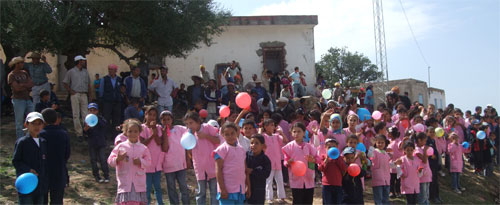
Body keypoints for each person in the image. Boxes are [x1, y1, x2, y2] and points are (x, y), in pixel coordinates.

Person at [107, 119, 152, 205]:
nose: (133, 134)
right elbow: (110, 160)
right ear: (126, 132)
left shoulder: (143, 148)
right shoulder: (121, 146)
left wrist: (140, 161)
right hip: (125, 183)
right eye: (130, 131)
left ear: (139, 132)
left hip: (138, 184)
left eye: (135, 131)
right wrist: (118, 159)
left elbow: (148, 162)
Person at [182, 112, 221, 205]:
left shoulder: (207, 128)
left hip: (212, 165)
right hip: (199, 167)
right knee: (201, 192)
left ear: (198, 121)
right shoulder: (188, 134)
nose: (189, 126)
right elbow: (188, 148)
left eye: (191, 123)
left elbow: (219, 140)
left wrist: (206, 136)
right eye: (187, 124)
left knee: (214, 191)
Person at [12, 112, 48, 204]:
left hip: (40, 185)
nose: (36, 126)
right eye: (33, 123)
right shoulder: (22, 142)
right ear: (26, 124)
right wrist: (28, 169)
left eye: (39, 123)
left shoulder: (43, 142)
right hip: (27, 184)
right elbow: (16, 161)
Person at [282, 122, 319, 205]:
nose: (296, 134)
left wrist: (313, 160)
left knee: (308, 201)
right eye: (294, 132)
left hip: (309, 179)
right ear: (291, 133)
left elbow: (318, 158)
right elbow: (285, 161)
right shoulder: (289, 147)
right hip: (296, 180)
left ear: (304, 132)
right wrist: (288, 163)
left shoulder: (309, 146)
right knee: (297, 200)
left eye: (299, 131)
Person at [40, 108, 70, 205]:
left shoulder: (41, 134)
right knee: (57, 200)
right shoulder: (63, 134)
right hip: (59, 170)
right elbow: (67, 153)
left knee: (42, 199)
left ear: (43, 120)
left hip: (43, 171)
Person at [159, 111, 190, 205]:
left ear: (172, 120)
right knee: (171, 187)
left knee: (183, 186)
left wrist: (188, 158)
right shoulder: (160, 131)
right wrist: (164, 134)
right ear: (161, 121)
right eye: (164, 120)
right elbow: (164, 148)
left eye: (168, 119)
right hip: (168, 165)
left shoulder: (179, 129)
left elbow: (189, 137)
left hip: (181, 163)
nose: (166, 121)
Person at [214, 122, 249, 204]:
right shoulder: (221, 150)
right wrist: (222, 189)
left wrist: (247, 185)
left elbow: (244, 169)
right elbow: (218, 170)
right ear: (222, 135)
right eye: (227, 134)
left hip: (240, 189)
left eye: (232, 133)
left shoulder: (241, 149)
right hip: (227, 190)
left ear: (237, 133)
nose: (230, 136)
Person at [63, 55, 91, 141]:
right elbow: (65, 82)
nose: (84, 62)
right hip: (75, 94)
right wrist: (70, 91)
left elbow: (88, 84)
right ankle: (79, 133)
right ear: (79, 61)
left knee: (85, 114)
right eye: (82, 60)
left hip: (84, 94)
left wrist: (90, 95)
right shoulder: (71, 72)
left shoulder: (85, 72)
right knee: (76, 114)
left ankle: (86, 131)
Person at [140, 106, 164, 205]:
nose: (152, 117)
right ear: (145, 115)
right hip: (146, 163)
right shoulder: (141, 128)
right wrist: (152, 135)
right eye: (150, 115)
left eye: (154, 115)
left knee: (158, 186)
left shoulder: (158, 127)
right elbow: (143, 143)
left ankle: (160, 203)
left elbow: (159, 142)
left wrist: (154, 130)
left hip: (156, 163)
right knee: (147, 187)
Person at [261, 119, 287, 203]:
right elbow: (258, 139)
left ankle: (281, 197)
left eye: (273, 125)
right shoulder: (263, 136)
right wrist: (259, 131)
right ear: (265, 127)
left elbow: (285, 140)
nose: (273, 127)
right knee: (269, 181)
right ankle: (269, 198)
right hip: (268, 163)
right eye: (270, 125)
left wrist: (281, 132)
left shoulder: (276, 136)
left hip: (277, 162)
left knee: (280, 180)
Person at [83, 103, 110, 183]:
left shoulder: (101, 119)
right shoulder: (86, 121)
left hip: (101, 143)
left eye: (94, 110)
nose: (92, 112)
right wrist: (85, 130)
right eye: (90, 110)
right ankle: (97, 176)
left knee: (102, 159)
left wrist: (97, 121)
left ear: (97, 111)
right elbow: (84, 134)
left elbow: (105, 126)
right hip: (92, 143)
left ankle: (106, 175)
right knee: (93, 160)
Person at [9, 57, 35, 139]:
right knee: (19, 121)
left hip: (27, 98)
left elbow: (31, 84)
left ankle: (29, 136)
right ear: (16, 64)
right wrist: (25, 85)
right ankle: (20, 139)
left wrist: (22, 85)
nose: (22, 64)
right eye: (21, 63)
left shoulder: (24, 73)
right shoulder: (11, 75)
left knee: (32, 118)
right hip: (18, 99)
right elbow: (16, 88)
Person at [318, 138, 346, 205]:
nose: (331, 149)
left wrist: (337, 158)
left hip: (337, 185)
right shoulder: (323, 157)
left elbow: (343, 168)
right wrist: (326, 160)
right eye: (329, 147)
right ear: (326, 148)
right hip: (327, 185)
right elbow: (320, 168)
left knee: (337, 202)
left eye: (333, 147)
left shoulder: (340, 157)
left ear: (337, 147)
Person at [246, 134, 272, 204]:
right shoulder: (246, 156)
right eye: (251, 143)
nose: (253, 145)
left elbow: (266, 174)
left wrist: (252, 171)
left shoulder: (265, 159)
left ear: (263, 146)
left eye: (256, 143)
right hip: (247, 187)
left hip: (259, 190)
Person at [99, 64, 123, 136]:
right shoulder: (104, 79)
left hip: (117, 102)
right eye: (109, 69)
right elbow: (101, 91)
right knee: (106, 118)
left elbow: (121, 90)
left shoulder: (119, 79)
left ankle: (115, 135)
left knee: (116, 119)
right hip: (107, 102)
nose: (110, 71)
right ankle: (106, 134)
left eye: (112, 69)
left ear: (115, 71)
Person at [367, 134, 391, 205]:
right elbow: (369, 155)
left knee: (386, 200)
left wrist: (395, 163)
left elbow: (388, 165)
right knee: (379, 200)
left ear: (385, 143)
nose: (380, 144)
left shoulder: (386, 154)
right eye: (378, 142)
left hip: (386, 180)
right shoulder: (375, 151)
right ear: (376, 143)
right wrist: (371, 145)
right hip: (378, 180)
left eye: (382, 142)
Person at [414, 133, 431, 205]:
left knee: (426, 195)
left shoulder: (422, 149)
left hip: (427, 174)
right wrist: (425, 151)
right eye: (424, 141)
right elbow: (424, 160)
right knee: (422, 196)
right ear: (419, 140)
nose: (425, 143)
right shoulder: (416, 150)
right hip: (421, 176)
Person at [387, 126, 402, 198]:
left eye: (389, 133)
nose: (388, 134)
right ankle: (392, 191)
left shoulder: (398, 141)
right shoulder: (389, 141)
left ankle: (398, 191)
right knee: (391, 179)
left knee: (398, 179)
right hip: (391, 163)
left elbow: (401, 146)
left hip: (398, 163)